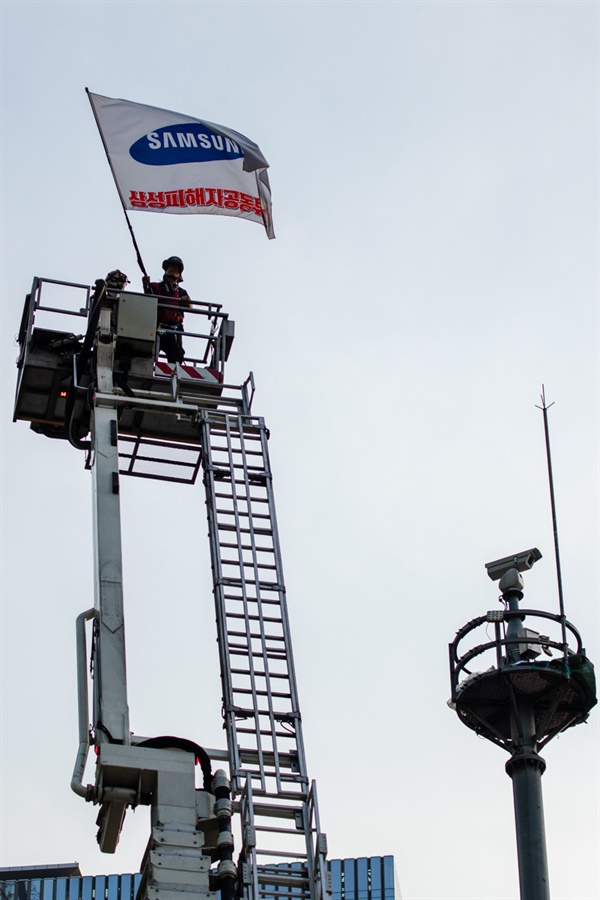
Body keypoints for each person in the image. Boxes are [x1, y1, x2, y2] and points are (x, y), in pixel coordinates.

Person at [142, 256, 191, 363]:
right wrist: (145, 285)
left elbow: (189, 307)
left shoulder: (182, 292)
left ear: (180, 273)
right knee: (148, 355)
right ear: (166, 270)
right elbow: (148, 300)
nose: (173, 269)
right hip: (158, 328)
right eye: (171, 267)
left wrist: (187, 301)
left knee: (176, 358)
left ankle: (174, 377)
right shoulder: (155, 287)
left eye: (176, 268)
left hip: (174, 330)